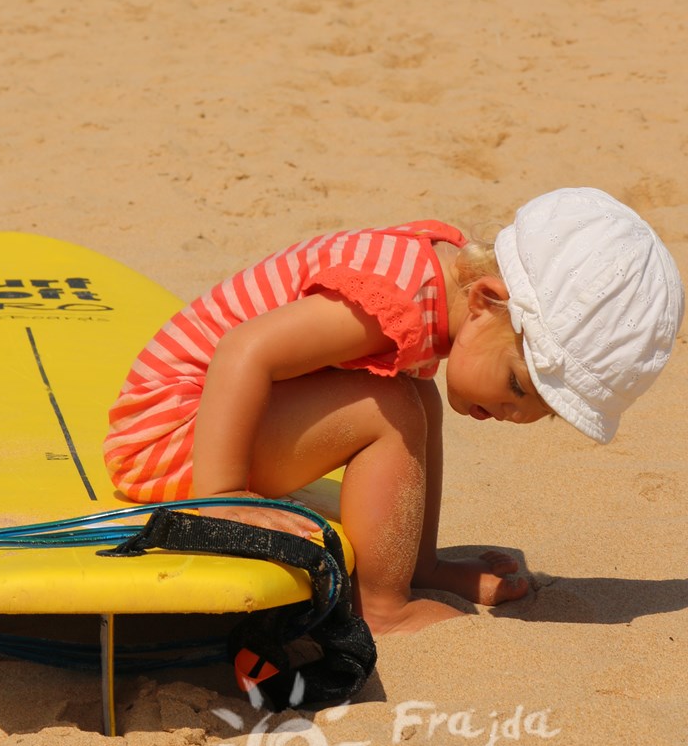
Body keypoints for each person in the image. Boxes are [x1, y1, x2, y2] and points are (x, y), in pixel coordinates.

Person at [104, 188, 683, 636]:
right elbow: (241, 351)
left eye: (548, 408)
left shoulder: (437, 278)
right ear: (486, 300)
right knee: (392, 405)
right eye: (519, 383)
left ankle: (415, 566)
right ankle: (381, 608)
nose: (517, 414)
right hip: (170, 437)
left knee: (415, 396)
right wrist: (223, 502)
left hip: (212, 424)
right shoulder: (397, 296)